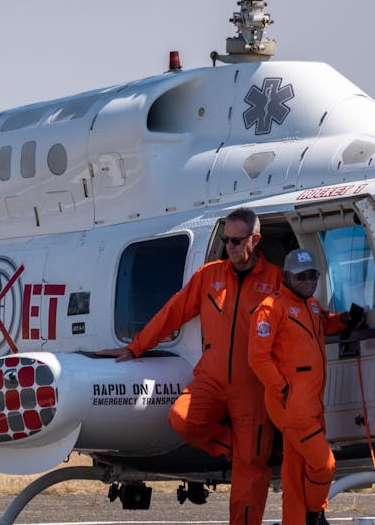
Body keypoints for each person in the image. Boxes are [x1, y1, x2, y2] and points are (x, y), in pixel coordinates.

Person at [97, 207, 283, 525]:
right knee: (182, 419)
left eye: (237, 241)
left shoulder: (276, 281)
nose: (230, 247)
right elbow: (173, 312)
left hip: (252, 385)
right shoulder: (209, 276)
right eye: (226, 240)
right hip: (210, 378)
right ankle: (240, 449)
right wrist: (135, 347)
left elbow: (297, 326)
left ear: (256, 240)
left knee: (250, 473)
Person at [248, 248, 364, 525]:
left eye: (313, 274)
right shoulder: (270, 308)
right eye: (302, 276)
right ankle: (315, 513)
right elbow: (257, 357)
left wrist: (344, 321)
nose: (309, 280)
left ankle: (296, 520)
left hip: (311, 402)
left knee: (295, 471)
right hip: (291, 405)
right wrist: (284, 390)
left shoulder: (310, 305)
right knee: (324, 464)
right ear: (287, 276)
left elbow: (322, 324)